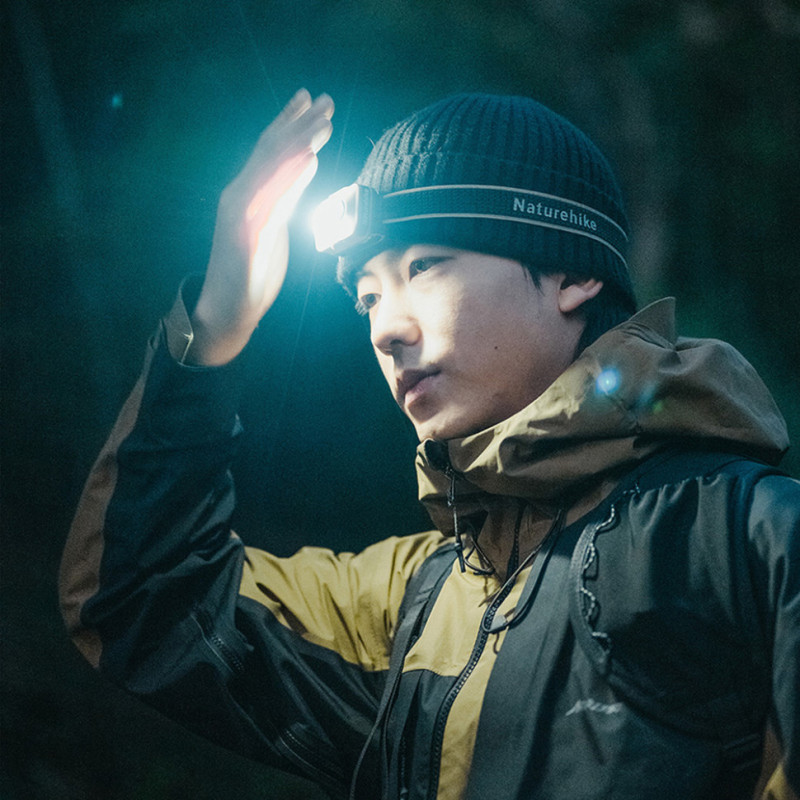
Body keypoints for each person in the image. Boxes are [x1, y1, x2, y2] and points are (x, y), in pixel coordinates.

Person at [59, 89, 799, 800]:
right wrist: (216, 326)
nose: (386, 329)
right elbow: (137, 594)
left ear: (572, 272)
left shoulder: (750, 545)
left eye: (423, 266)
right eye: (368, 297)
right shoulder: (412, 602)